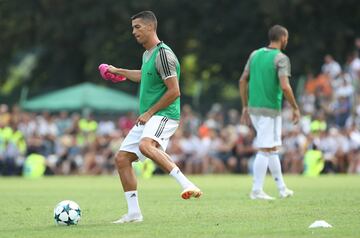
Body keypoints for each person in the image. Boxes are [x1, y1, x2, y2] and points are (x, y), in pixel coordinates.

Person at [105, 11, 202, 224]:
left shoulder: (163, 55)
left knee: (146, 146)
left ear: (150, 27)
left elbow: (175, 91)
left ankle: (187, 184)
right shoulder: (148, 54)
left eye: (137, 27)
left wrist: (149, 112)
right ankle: (134, 213)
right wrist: (118, 71)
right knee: (122, 159)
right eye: (133, 28)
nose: (133, 32)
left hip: (164, 114)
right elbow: (143, 75)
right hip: (150, 117)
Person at [239, 25, 300, 200]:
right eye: (286, 38)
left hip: (254, 108)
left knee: (272, 148)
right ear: (283, 38)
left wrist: (244, 106)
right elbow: (285, 86)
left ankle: (282, 188)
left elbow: (243, 80)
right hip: (270, 110)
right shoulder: (281, 58)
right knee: (265, 148)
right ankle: (256, 191)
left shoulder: (255, 54)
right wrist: (295, 107)